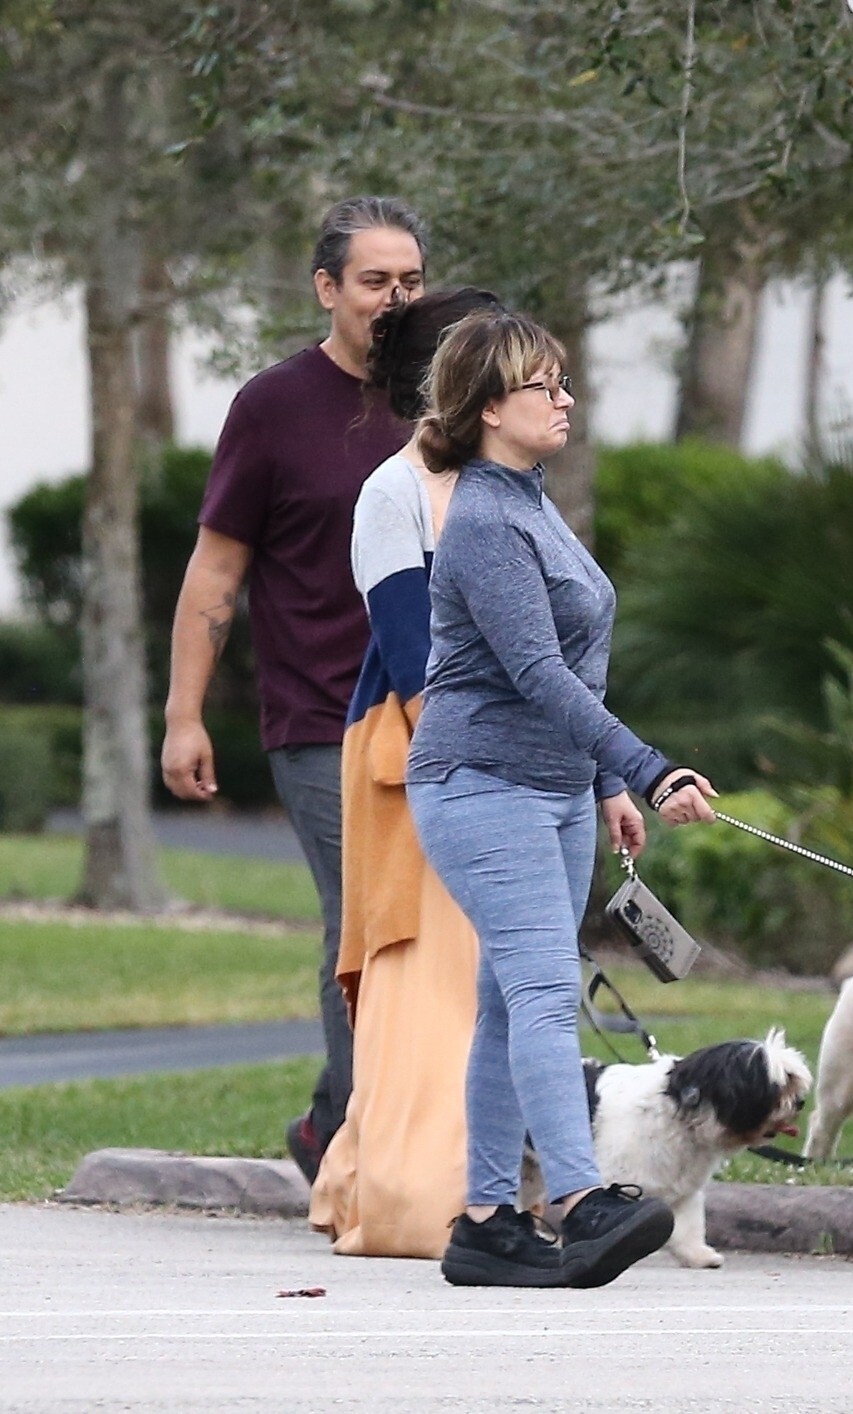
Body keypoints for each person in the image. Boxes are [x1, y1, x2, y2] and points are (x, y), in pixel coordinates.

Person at [404, 309, 717, 1289]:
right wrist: (649, 767)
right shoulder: (484, 523)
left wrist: (606, 781)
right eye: (543, 385)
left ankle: (487, 1222)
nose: (564, 399)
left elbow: (574, 664)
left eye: (563, 382)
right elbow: (537, 670)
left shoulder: (532, 506)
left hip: (554, 789)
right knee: (542, 991)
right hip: (478, 782)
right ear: (489, 407)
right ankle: (581, 1200)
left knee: (509, 1004)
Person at [163, 196, 429, 1181]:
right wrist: (183, 715)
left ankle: (333, 1119)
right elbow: (216, 569)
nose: (394, 300)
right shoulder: (274, 406)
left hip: (442, 708)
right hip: (323, 714)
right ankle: (364, 1149)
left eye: (411, 281)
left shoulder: (448, 396)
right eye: (374, 281)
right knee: (363, 918)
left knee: (432, 923)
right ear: (327, 288)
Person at [308, 288, 505, 1258]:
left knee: (473, 980)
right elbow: (411, 654)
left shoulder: (505, 487)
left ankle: (363, 1176)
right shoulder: (394, 493)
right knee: (417, 976)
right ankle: (406, 1195)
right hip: (411, 754)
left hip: (488, 754)